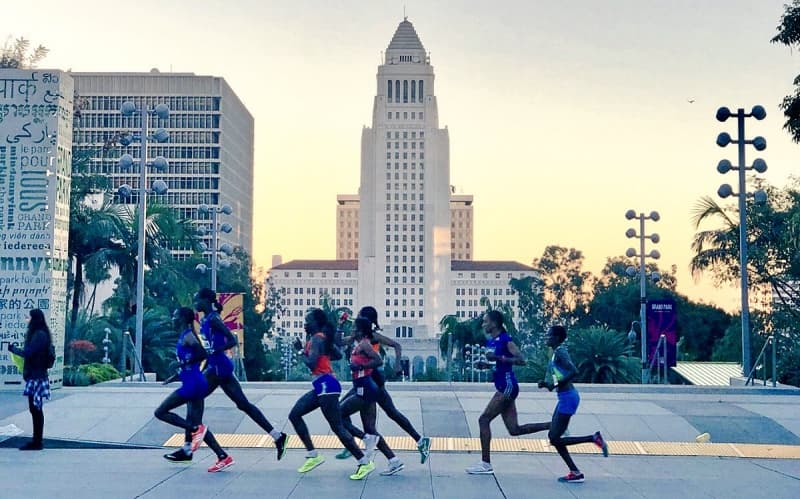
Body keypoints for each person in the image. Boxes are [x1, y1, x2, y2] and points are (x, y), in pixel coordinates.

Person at [193, 288, 287, 470]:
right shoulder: (206, 319)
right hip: (218, 366)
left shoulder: (213, 319)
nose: (195, 303)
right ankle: (277, 436)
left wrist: (215, 351)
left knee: (195, 395)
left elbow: (232, 340)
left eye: (197, 299)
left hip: (220, 367)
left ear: (205, 300)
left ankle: (196, 440)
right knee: (243, 404)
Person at [335, 306, 431, 464]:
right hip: (364, 381)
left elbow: (396, 346)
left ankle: (416, 443)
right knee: (377, 419)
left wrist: (398, 365)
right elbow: (340, 342)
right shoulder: (357, 337)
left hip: (372, 382)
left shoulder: (371, 337)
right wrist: (340, 325)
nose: (356, 320)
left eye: (359, 317)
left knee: (385, 417)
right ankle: (399, 454)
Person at [288, 308, 375, 480]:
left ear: (316, 324)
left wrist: (300, 350)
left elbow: (311, 364)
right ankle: (313, 455)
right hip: (323, 385)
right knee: (295, 415)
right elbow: (337, 354)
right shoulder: (321, 339)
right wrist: (320, 353)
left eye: (308, 321)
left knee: (337, 426)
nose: (305, 324)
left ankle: (364, 461)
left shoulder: (316, 339)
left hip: (326, 386)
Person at [465, 310, 550, 474]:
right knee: (514, 430)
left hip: (508, 386)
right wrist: (486, 365)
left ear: (494, 324)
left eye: (485, 321)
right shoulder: (492, 341)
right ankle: (552, 425)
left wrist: (499, 359)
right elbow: (497, 364)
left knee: (484, 419)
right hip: (502, 386)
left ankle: (485, 463)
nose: (483, 324)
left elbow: (521, 360)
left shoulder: (505, 340)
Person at [155, 307, 233, 471]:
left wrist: (182, 364)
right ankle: (222, 456)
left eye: (175, 316)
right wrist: (176, 374)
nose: (173, 319)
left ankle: (193, 432)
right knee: (197, 424)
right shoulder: (185, 335)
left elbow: (202, 354)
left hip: (193, 385)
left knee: (160, 412)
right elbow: (192, 361)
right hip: (195, 381)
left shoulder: (189, 335)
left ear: (183, 318)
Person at [540, 325, 609, 483]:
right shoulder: (556, 352)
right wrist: (548, 384)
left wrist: (555, 384)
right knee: (554, 436)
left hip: (568, 398)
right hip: (564, 397)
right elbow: (561, 375)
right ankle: (575, 472)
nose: (546, 337)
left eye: (549, 335)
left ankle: (593, 439)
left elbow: (573, 371)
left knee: (554, 438)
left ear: (557, 338)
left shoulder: (560, 352)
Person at [338, 316, 404, 476]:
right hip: (364, 387)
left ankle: (365, 438)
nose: (352, 330)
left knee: (338, 415)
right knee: (370, 428)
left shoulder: (365, 345)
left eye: (354, 328)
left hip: (365, 389)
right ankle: (393, 460)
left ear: (360, 330)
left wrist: (360, 365)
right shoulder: (359, 343)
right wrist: (340, 325)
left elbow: (378, 361)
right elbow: (338, 342)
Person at [8, 309, 53, 451]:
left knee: (36, 409)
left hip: (36, 376)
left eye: (28, 317)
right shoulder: (41, 333)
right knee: (35, 409)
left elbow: (29, 352)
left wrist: (13, 349)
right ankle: (36, 440)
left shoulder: (39, 335)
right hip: (37, 375)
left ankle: (37, 441)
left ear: (34, 319)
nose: (27, 320)